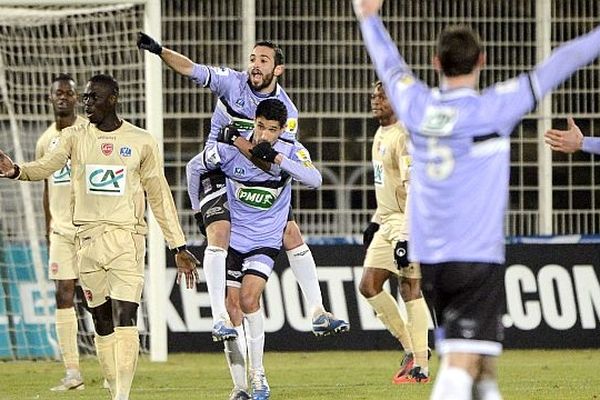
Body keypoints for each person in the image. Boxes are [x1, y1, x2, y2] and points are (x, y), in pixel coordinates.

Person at [353, 0, 600, 398]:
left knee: (482, 366)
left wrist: (368, 16)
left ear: (435, 63)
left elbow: (390, 63)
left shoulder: (416, 105)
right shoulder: (496, 107)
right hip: (475, 257)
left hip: (430, 258)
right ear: (481, 61)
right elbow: (561, 60)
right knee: (460, 365)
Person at [0, 74, 200, 400]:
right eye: (87, 97)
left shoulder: (141, 141)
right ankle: (111, 387)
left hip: (127, 239)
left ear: (112, 100)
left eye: (93, 98)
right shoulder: (73, 136)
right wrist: (17, 170)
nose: (87, 103)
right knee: (102, 321)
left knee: (126, 314)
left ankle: (122, 396)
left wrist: (177, 245)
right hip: (87, 242)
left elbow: (159, 196)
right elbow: (46, 166)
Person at [137, 33, 349, 340]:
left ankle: (318, 311)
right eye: (252, 59)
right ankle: (219, 318)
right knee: (220, 232)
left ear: (278, 69)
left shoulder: (286, 113)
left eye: (263, 60)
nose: (255, 65)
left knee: (290, 233)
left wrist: (240, 140)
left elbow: (269, 159)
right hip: (220, 166)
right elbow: (192, 69)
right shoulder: (231, 83)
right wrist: (159, 51)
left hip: (254, 170)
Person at [188, 98, 322, 400]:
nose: (264, 135)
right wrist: (199, 212)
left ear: (281, 131)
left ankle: (258, 374)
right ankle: (239, 387)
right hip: (232, 238)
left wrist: (276, 159)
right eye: (260, 127)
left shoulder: (289, 150)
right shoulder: (229, 148)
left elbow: (314, 179)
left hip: (264, 239)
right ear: (254, 122)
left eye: (272, 130)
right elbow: (193, 168)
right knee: (232, 307)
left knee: (249, 300)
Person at [359, 81, 429, 384]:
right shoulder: (380, 133)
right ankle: (410, 349)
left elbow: (415, 188)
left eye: (383, 96)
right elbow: (388, 185)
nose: (376, 100)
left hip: (408, 221)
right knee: (368, 286)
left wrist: (408, 237)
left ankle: (422, 366)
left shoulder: (404, 136)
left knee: (409, 288)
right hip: (387, 221)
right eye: (374, 95)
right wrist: (375, 220)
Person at [36, 74, 88, 391]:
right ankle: (73, 373)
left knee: (99, 300)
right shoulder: (44, 141)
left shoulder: (88, 131)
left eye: (69, 93)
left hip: (90, 228)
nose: (64, 97)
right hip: (61, 231)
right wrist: (47, 227)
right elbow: (45, 184)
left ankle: (111, 367)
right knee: (63, 294)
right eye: (59, 93)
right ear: (50, 98)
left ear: (76, 98)